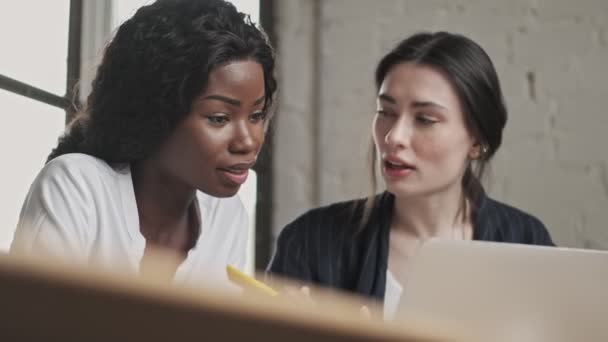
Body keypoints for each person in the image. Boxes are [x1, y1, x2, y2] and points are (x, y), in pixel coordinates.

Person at [267, 32, 553, 317]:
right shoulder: (311, 241)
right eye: (386, 111)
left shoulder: (527, 242)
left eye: (425, 119)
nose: (394, 136)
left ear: (476, 141)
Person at [11, 0, 277, 288]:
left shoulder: (227, 217)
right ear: (156, 112)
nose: (248, 141)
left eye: (256, 115)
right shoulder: (77, 188)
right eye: (219, 118)